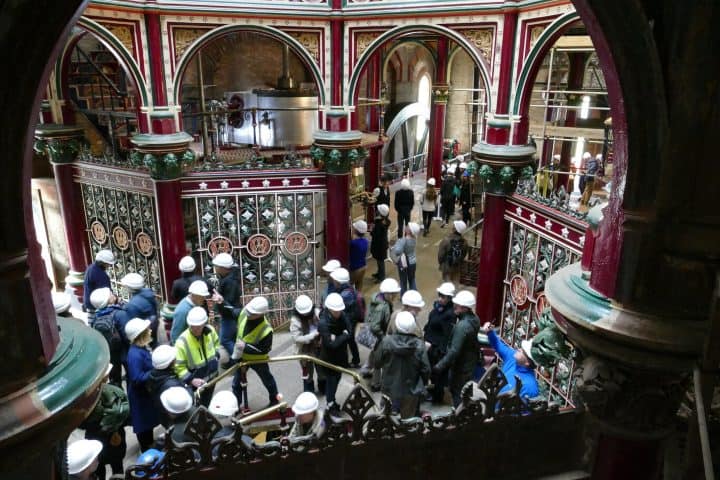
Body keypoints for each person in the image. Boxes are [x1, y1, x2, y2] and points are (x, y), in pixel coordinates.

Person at [376, 311, 431, 418]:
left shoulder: (386, 341)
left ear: (396, 324)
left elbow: (377, 363)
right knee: (408, 423)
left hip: (389, 389)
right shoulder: (419, 345)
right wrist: (422, 383)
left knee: (385, 419)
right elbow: (426, 369)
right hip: (411, 391)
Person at [79, 364, 128, 480]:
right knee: (117, 468)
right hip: (115, 439)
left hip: (95, 439)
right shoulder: (117, 391)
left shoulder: (86, 399)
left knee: (98, 470)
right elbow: (126, 417)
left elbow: (81, 424)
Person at [432, 290, 480, 407]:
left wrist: (439, 366)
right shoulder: (474, 319)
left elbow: (454, 351)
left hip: (461, 367)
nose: (454, 307)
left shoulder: (462, 326)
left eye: (457, 305)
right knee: (465, 392)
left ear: (465, 308)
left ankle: (460, 417)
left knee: (458, 393)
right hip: (469, 362)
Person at [231, 296, 279, 409]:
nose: (249, 314)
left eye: (252, 313)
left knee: (268, 380)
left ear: (261, 314)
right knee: (236, 383)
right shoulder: (245, 312)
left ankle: (275, 401)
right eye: (249, 311)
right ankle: (235, 406)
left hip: (258, 360)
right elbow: (231, 312)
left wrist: (245, 347)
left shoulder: (266, 330)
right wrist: (221, 302)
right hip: (241, 358)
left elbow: (264, 350)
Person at [124, 317, 160, 451]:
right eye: (147, 330)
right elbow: (137, 378)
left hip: (145, 397)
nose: (150, 331)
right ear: (141, 335)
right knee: (145, 430)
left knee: (148, 427)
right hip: (141, 400)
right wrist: (155, 371)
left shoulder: (141, 349)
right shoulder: (135, 355)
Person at [482, 322, 540, 403]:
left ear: (527, 363)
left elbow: (524, 413)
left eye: (523, 351)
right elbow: (498, 345)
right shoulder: (513, 356)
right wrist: (490, 332)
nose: (519, 349)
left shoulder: (530, 387)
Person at [175, 306, 220, 407]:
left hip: (212, 378)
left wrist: (217, 355)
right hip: (195, 385)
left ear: (204, 324)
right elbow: (179, 367)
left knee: (206, 404)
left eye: (198, 326)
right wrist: (191, 380)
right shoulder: (182, 342)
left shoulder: (210, 331)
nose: (195, 329)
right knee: (197, 408)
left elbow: (217, 343)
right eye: (192, 326)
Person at [361, 278, 401, 391]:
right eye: (393, 294)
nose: (395, 296)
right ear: (388, 294)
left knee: (373, 353)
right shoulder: (382, 307)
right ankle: (375, 383)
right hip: (378, 336)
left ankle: (366, 370)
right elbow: (375, 326)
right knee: (379, 360)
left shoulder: (376, 298)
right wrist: (383, 336)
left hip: (371, 334)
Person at [318, 293, 352, 413]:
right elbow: (331, 345)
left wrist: (337, 337)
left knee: (337, 379)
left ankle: (331, 401)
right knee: (331, 382)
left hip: (341, 357)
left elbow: (350, 331)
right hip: (329, 360)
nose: (338, 313)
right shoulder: (323, 323)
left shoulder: (342, 315)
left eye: (339, 310)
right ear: (329, 309)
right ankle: (330, 404)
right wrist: (343, 335)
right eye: (336, 310)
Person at [424, 282, 457, 404]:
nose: (440, 299)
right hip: (430, 347)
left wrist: (439, 351)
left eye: (443, 297)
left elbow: (446, 335)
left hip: (437, 350)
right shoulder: (438, 308)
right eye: (440, 295)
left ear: (449, 298)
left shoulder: (450, 314)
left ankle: (437, 398)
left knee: (438, 375)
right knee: (432, 374)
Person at [89, 287, 125, 385]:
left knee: (114, 375)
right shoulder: (118, 314)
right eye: (110, 294)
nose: (112, 294)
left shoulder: (96, 316)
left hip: (109, 351)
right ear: (107, 300)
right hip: (123, 350)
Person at [211, 252, 242, 365]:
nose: (215, 268)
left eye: (217, 266)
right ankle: (236, 360)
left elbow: (229, 301)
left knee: (225, 339)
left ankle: (238, 361)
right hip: (230, 313)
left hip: (229, 314)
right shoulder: (229, 277)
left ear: (224, 268)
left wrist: (221, 301)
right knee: (231, 338)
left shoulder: (229, 281)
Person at [147, 344, 187, 427]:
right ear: (171, 363)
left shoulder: (154, 375)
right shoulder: (171, 385)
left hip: (164, 416)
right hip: (176, 420)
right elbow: (182, 404)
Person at [289, 294, 323, 393]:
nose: (305, 314)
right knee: (308, 373)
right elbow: (296, 338)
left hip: (319, 348)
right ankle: (309, 391)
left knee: (321, 370)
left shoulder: (317, 313)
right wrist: (312, 336)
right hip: (304, 350)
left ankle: (323, 387)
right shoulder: (295, 320)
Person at [329, 267, 362, 368]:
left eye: (334, 280)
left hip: (349, 321)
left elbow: (339, 309)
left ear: (339, 282)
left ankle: (349, 362)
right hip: (351, 319)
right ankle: (355, 360)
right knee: (350, 341)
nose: (333, 281)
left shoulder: (345, 295)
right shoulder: (349, 288)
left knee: (346, 341)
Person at [121, 273, 159, 346]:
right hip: (153, 324)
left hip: (144, 333)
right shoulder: (148, 292)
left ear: (129, 287)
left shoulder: (132, 305)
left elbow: (134, 324)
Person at [170, 280, 210, 344]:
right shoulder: (183, 311)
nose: (204, 298)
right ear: (194, 295)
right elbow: (175, 335)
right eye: (202, 296)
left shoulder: (196, 304)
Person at [390, 222, 419, 294]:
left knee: (403, 281)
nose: (406, 226)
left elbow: (397, 251)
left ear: (410, 231)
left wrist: (395, 246)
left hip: (404, 263)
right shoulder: (414, 239)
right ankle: (414, 295)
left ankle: (403, 296)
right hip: (413, 262)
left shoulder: (403, 240)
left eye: (408, 226)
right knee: (412, 279)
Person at [437, 220, 469, 284]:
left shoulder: (446, 240)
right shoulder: (465, 242)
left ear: (455, 229)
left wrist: (441, 263)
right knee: (455, 283)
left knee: (446, 284)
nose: (452, 227)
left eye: (454, 226)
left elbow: (440, 255)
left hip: (447, 266)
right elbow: (464, 254)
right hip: (457, 266)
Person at [370, 204, 391, 283]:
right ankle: (379, 273)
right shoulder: (385, 221)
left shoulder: (379, 223)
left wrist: (372, 230)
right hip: (383, 244)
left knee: (380, 261)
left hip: (379, 245)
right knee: (379, 260)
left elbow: (376, 235)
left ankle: (381, 276)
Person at [349, 219, 369, 292]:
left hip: (354, 269)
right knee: (359, 288)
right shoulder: (366, 241)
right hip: (363, 267)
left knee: (348, 287)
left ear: (356, 230)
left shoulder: (353, 243)